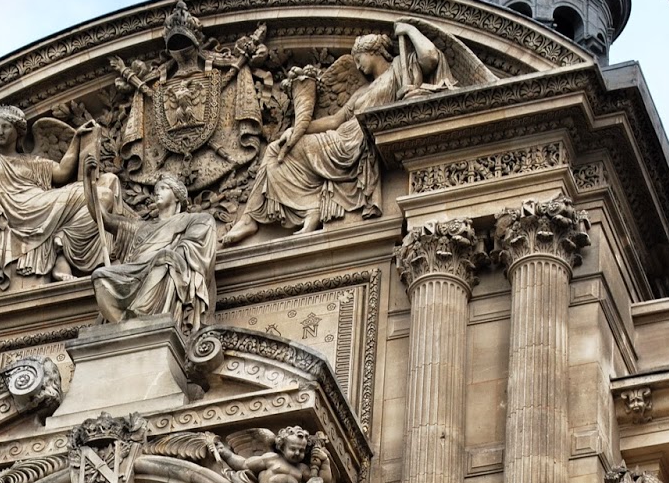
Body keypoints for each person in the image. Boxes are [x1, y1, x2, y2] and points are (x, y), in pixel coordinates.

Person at [221, 23, 449, 244]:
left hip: (353, 143)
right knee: (275, 150)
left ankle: (254, 218)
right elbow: (335, 120)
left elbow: (430, 57)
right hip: (341, 137)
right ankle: (305, 210)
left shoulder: (400, 67)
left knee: (275, 151)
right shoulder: (362, 90)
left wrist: (409, 30)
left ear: (372, 52)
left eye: (359, 59)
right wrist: (296, 129)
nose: (357, 66)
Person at [0, 105, 114, 282]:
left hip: (38, 202)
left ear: (17, 131)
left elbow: (62, 172)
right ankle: (60, 252)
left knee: (105, 191)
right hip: (13, 210)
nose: (0, 132)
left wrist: (77, 138)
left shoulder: (31, 161)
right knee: (100, 196)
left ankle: (61, 246)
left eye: (6, 127)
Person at [91, 172, 218, 333]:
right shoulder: (140, 226)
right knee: (99, 276)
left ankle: (139, 315)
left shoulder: (195, 219)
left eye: (163, 188)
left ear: (177, 196)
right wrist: (88, 181)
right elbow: (103, 218)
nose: (157, 192)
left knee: (165, 258)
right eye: (156, 190)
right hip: (134, 272)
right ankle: (123, 326)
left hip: (165, 269)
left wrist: (169, 256)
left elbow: (194, 248)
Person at [213, 425, 330, 483]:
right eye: (293, 449)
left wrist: (325, 462)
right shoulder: (271, 459)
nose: (297, 453)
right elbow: (244, 464)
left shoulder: (302, 468)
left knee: (316, 482)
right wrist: (225, 453)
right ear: (282, 446)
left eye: (301, 450)